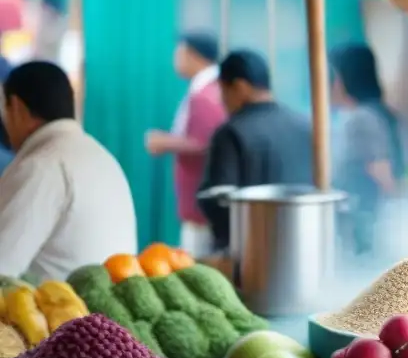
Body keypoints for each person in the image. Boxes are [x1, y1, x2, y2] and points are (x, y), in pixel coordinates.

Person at [0, 61, 137, 279]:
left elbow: (3, 265)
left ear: (16, 107)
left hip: (68, 310)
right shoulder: (99, 156)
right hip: (107, 306)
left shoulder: (41, 166)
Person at [199, 49, 313, 250]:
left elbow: (218, 198)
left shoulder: (231, 132)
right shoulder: (304, 125)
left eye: (223, 91)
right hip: (300, 244)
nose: (221, 100)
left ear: (240, 87)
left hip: (249, 252)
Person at [145, 32, 226, 256]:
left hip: (202, 203)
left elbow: (204, 142)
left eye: (179, 53)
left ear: (193, 56)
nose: (176, 59)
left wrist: (164, 142)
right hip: (199, 201)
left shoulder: (206, 94)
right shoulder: (204, 89)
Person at [328, 43, 405, 254]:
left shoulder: (362, 118)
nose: (331, 85)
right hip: (367, 219)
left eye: (335, 76)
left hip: (364, 221)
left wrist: (396, 218)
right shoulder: (376, 112)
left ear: (347, 79)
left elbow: (381, 171)